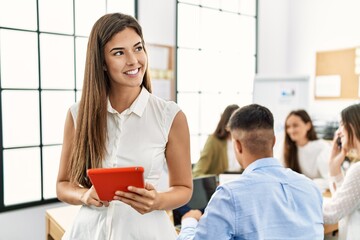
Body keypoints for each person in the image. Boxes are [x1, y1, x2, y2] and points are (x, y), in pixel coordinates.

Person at [56, 13, 192, 240]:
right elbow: (62, 185)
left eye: (138, 48)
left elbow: (184, 189)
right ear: (101, 62)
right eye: (119, 52)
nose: (133, 60)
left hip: (147, 232)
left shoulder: (170, 116)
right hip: (89, 232)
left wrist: (158, 200)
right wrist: (84, 195)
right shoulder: (78, 115)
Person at [177, 104, 324, 240]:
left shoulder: (229, 196)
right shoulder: (310, 188)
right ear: (273, 141)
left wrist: (189, 222)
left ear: (238, 146)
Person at [323, 103, 360, 240]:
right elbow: (346, 202)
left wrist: (296, 207)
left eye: (341, 125)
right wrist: (334, 168)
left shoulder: (358, 170)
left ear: (353, 126)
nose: (338, 132)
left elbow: (331, 213)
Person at [282, 110, 330, 185]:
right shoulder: (285, 148)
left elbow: (329, 179)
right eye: (288, 127)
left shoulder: (322, 147)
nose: (291, 130)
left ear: (308, 126)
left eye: (295, 125)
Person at [192, 104, 241, 177]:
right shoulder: (213, 141)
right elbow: (197, 173)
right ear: (226, 122)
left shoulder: (243, 142)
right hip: (219, 186)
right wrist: (216, 181)